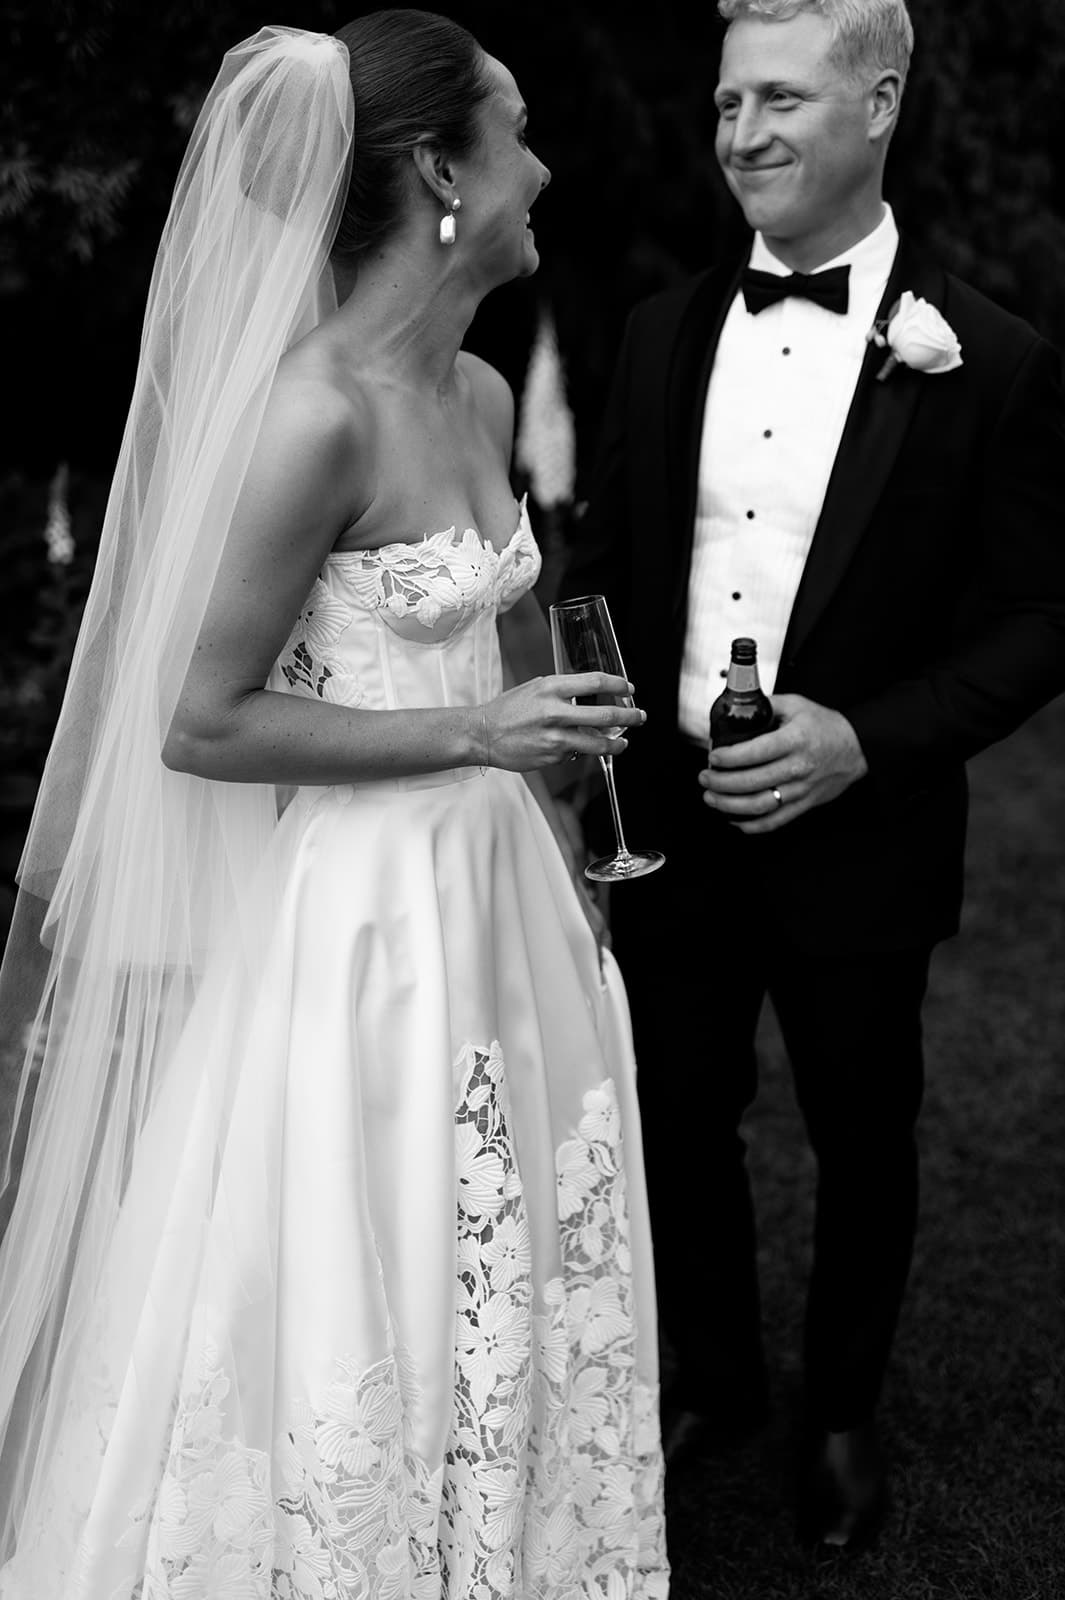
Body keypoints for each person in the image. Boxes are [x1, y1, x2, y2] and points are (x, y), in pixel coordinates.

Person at [0, 14, 669, 1597]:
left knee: (522, 1236)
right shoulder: (317, 415)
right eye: (517, 130)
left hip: (503, 879)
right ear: (442, 168)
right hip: (367, 923)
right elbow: (204, 721)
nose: (545, 166)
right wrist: (474, 738)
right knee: (377, 1246)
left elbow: (489, 650)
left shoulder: (487, 394)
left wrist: (555, 773)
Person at [561, 0, 1065, 1555]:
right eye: (724, 103)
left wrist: (867, 737)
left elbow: (1043, 614)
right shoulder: (656, 330)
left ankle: (843, 1408)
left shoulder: (991, 356)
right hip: (675, 824)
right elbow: (620, 561)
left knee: (864, 1126)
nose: (739, 134)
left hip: (864, 828)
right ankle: (712, 1373)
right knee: (675, 1107)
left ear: (878, 101)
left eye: (778, 99)